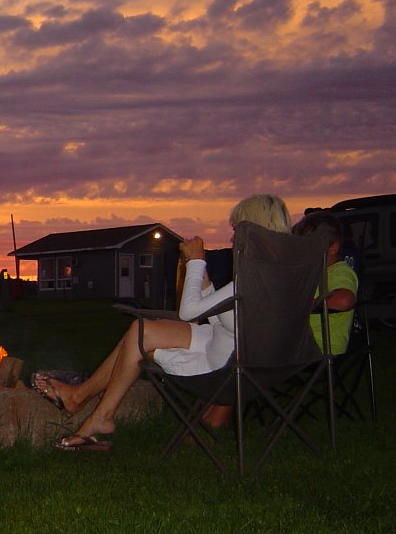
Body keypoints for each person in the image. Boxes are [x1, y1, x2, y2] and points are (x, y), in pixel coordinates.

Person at [32, 193, 293, 450]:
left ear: (253, 230)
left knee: (139, 337)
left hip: (226, 368)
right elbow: (227, 319)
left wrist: (195, 262)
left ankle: (94, 413)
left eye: (237, 230)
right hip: (249, 356)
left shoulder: (250, 280)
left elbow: (189, 312)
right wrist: (204, 284)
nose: (233, 238)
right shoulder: (283, 276)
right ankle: (85, 404)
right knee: (141, 330)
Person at [291, 211, 358, 354]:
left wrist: (304, 305)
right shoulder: (314, 272)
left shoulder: (339, 272)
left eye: (309, 245)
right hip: (303, 344)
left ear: (333, 247)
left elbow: (344, 300)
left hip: (321, 347)